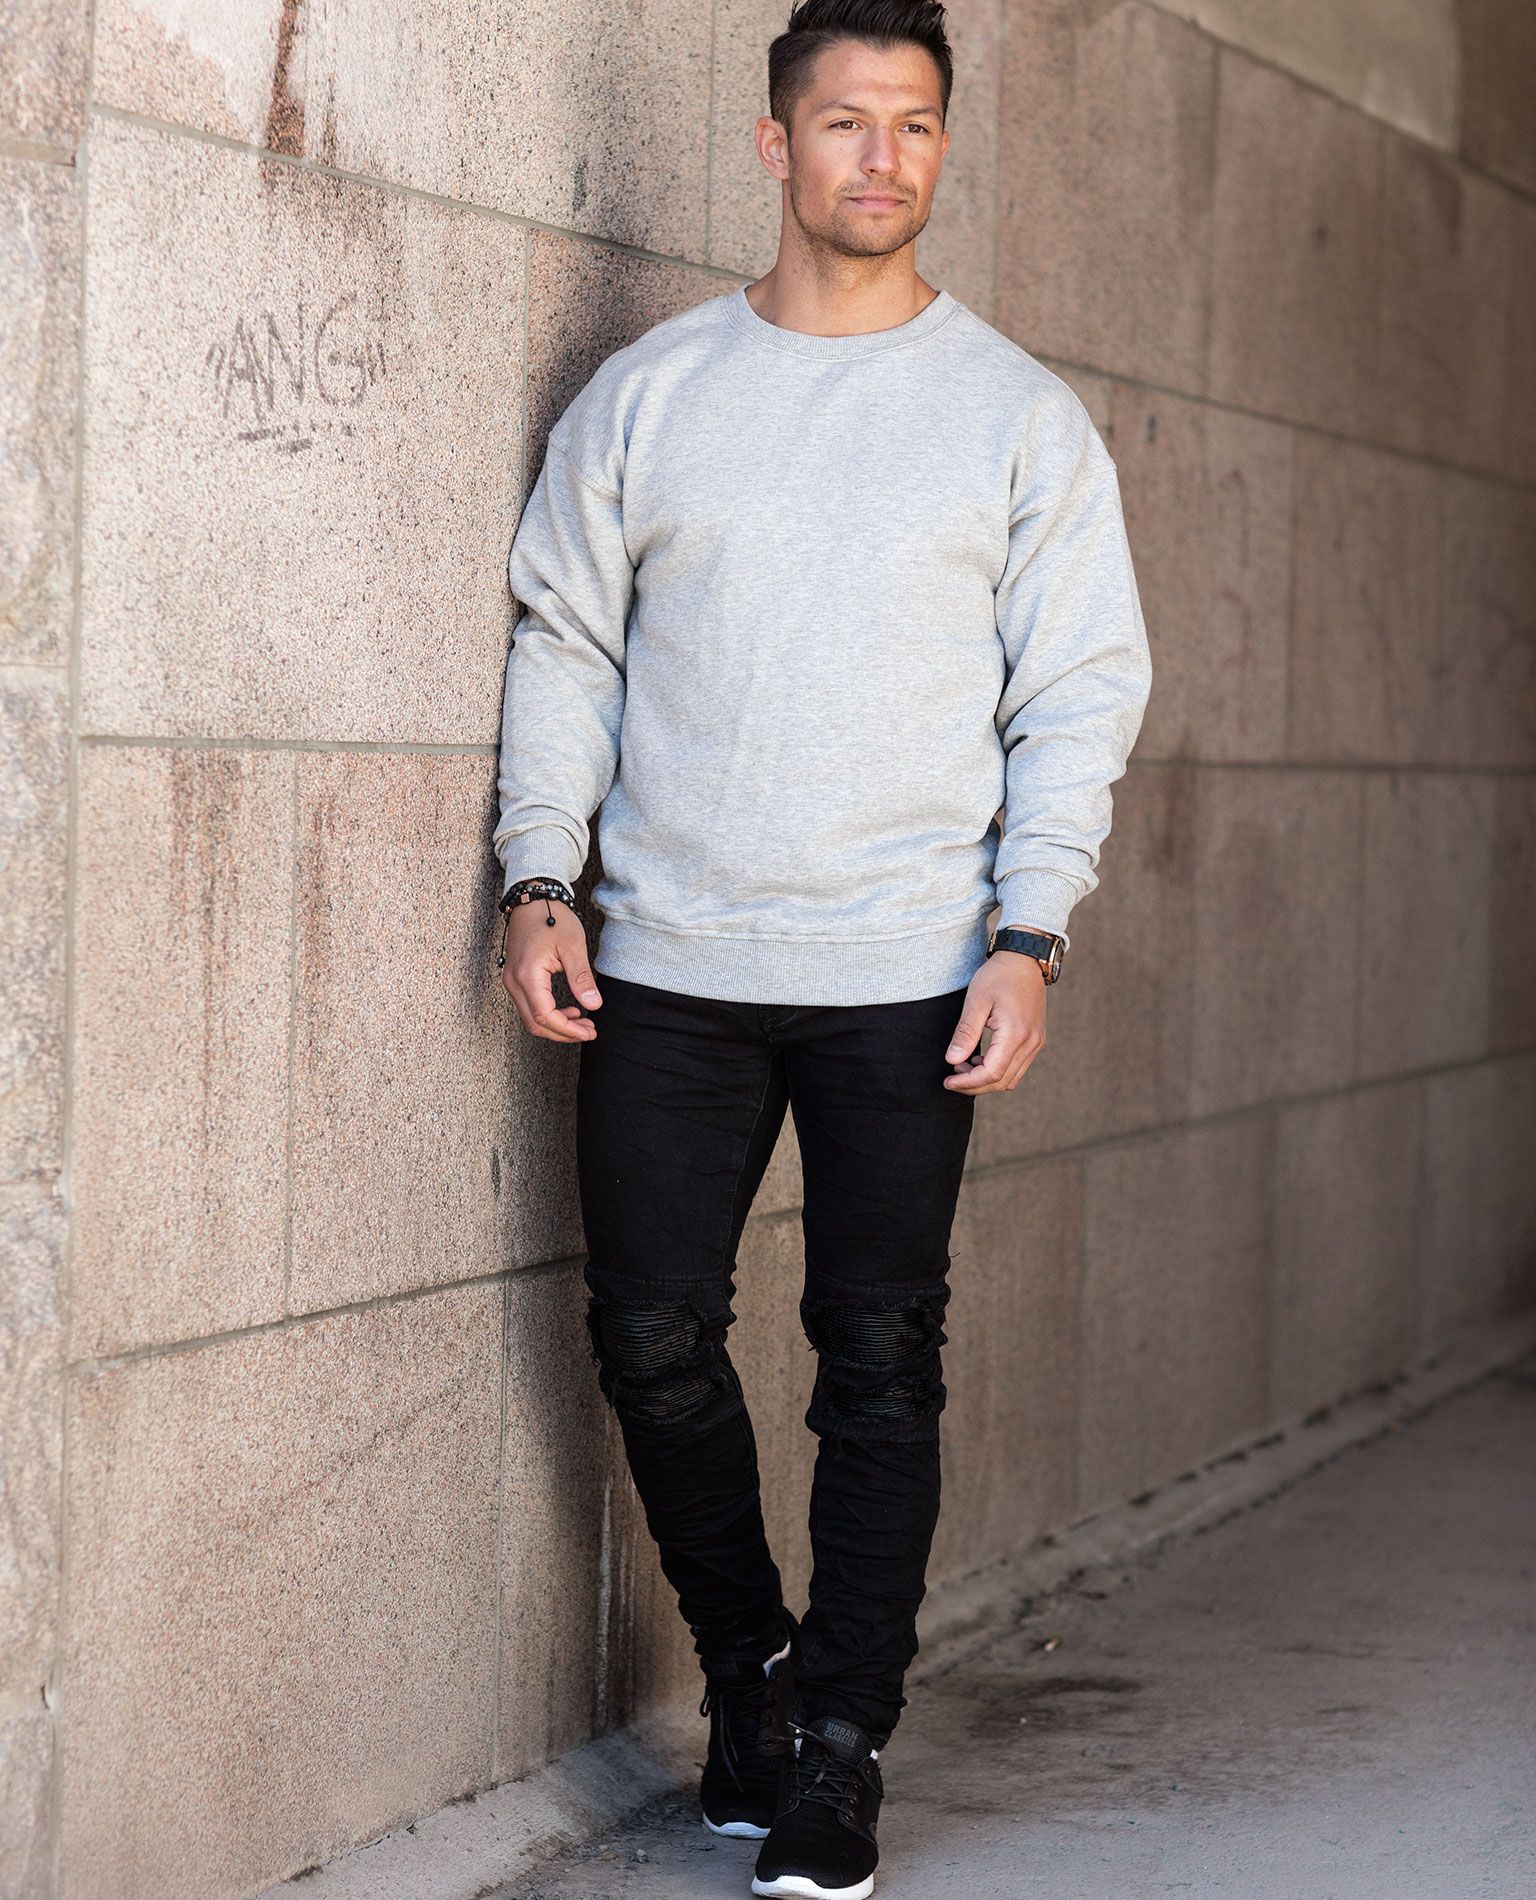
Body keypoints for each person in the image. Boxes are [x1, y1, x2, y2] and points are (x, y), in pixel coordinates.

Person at [492, 3, 1151, 1893]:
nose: (884, 158)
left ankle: (842, 1751)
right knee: (649, 1335)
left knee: (877, 1358)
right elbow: (566, 641)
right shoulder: (654, 394)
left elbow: (1079, 690)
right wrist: (540, 876)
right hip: (670, 958)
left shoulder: (1015, 415)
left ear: (943, 148)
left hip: (910, 967)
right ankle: (753, 1674)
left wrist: (1031, 930)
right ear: (776, 146)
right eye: (847, 123)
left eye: (916, 125)